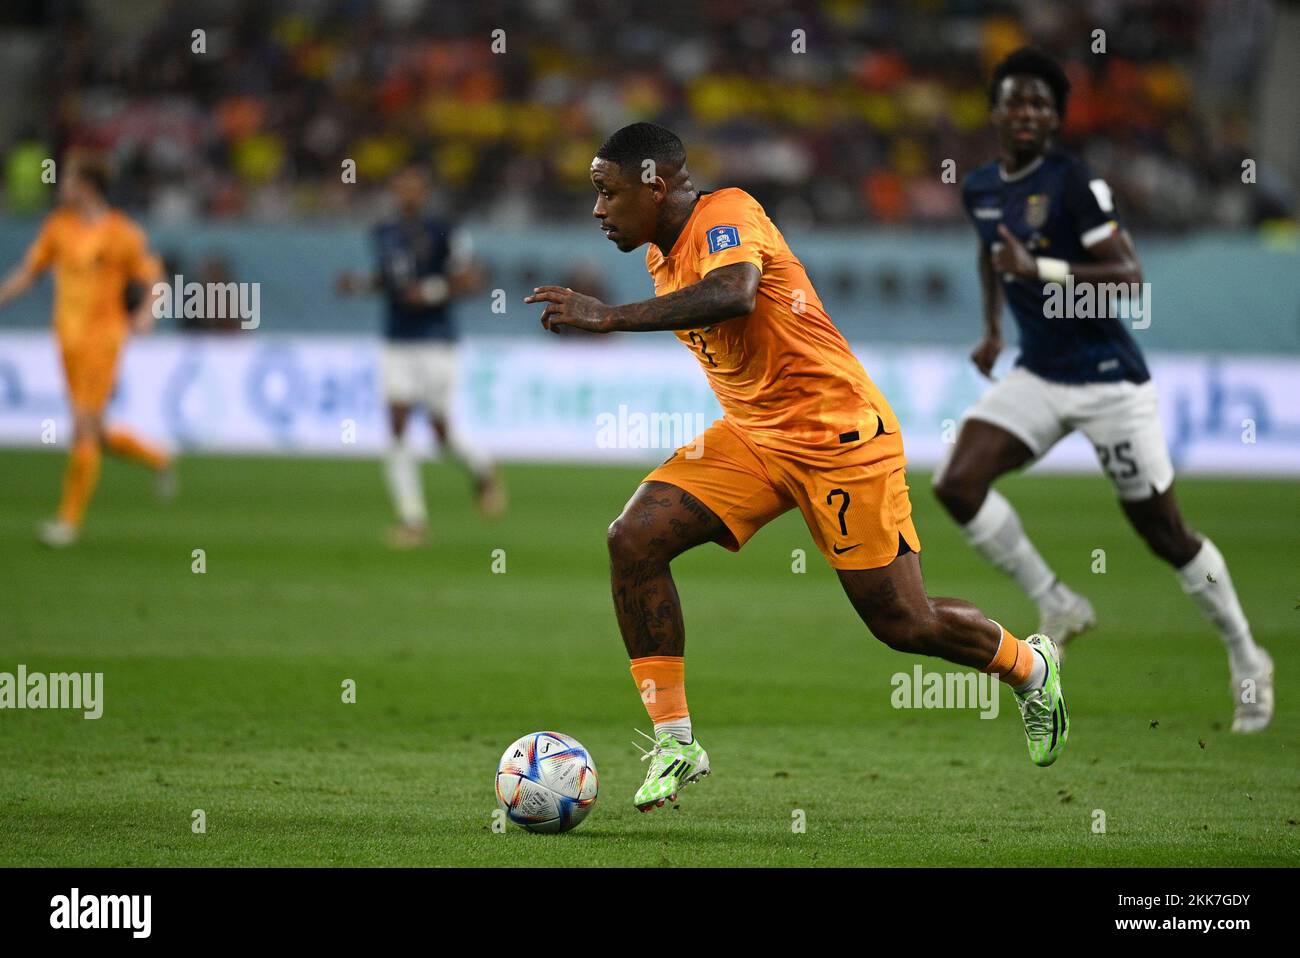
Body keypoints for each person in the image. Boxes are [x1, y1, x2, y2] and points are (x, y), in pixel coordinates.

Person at [525, 123, 1071, 813]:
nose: (598, 211)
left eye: (607, 193)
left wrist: (610, 318)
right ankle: (675, 740)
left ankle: (1029, 665)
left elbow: (736, 293)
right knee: (632, 538)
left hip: (839, 436)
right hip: (754, 436)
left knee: (904, 624)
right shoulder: (660, 256)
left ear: (654, 183)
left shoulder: (727, 213)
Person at [935, 47, 1272, 733]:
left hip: (1109, 380)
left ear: (1056, 118)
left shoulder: (1075, 183)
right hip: (1038, 372)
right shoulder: (979, 187)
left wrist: (1043, 265)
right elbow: (989, 252)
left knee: (1165, 533)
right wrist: (994, 328)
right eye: (1015, 101)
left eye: (1040, 103)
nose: (1027, 112)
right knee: (957, 483)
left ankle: (1246, 654)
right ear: (996, 111)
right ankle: (1057, 602)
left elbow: (1127, 276)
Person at [0, 150, 174, 547]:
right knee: (95, 430)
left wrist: (148, 314)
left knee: (81, 425)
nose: (61, 184)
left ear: (87, 186)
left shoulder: (121, 233)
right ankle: (157, 458)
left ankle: (68, 521)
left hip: (104, 338)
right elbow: (29, 273)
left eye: (69, 178)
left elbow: (157, 281)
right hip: (67, 339)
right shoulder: (58, 227)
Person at [338, 166, 504, 548]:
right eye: (400, 188)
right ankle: (412, 520)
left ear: (425, 191)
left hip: (436, 340)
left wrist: (428, 292)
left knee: (439, 432)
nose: (406, 195)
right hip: (397, 339)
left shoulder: (445, 230)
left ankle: (481, 468)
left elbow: (470, 280)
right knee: (396, 423)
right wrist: (360, 284)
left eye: (413, 188)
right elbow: (390, 280)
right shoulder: (383, 233)